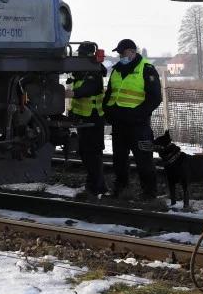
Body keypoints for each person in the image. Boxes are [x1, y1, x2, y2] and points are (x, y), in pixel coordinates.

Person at [102, 39, 162, 199]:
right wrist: (108, 111)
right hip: (119, 125)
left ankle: (149, 194)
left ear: (132, 51)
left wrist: (137, 114)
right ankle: (120, 190)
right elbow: (110, 94)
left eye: (123, 53)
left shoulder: (147, 69)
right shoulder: (116, 70)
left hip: (139, 125)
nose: (120, 56)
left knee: (144, 161)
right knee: (119, 161)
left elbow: (155, 98)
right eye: (119, 53)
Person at [66, 42, 108, 198]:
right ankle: (97, 186)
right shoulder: (82, 72)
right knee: (86, 153)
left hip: (93, 117)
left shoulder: (94, 72)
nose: (79, 57)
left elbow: (88, 89)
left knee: (92, 154)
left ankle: (95, 187)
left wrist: (72, 93)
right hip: (84, 118)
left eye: (82, 54)